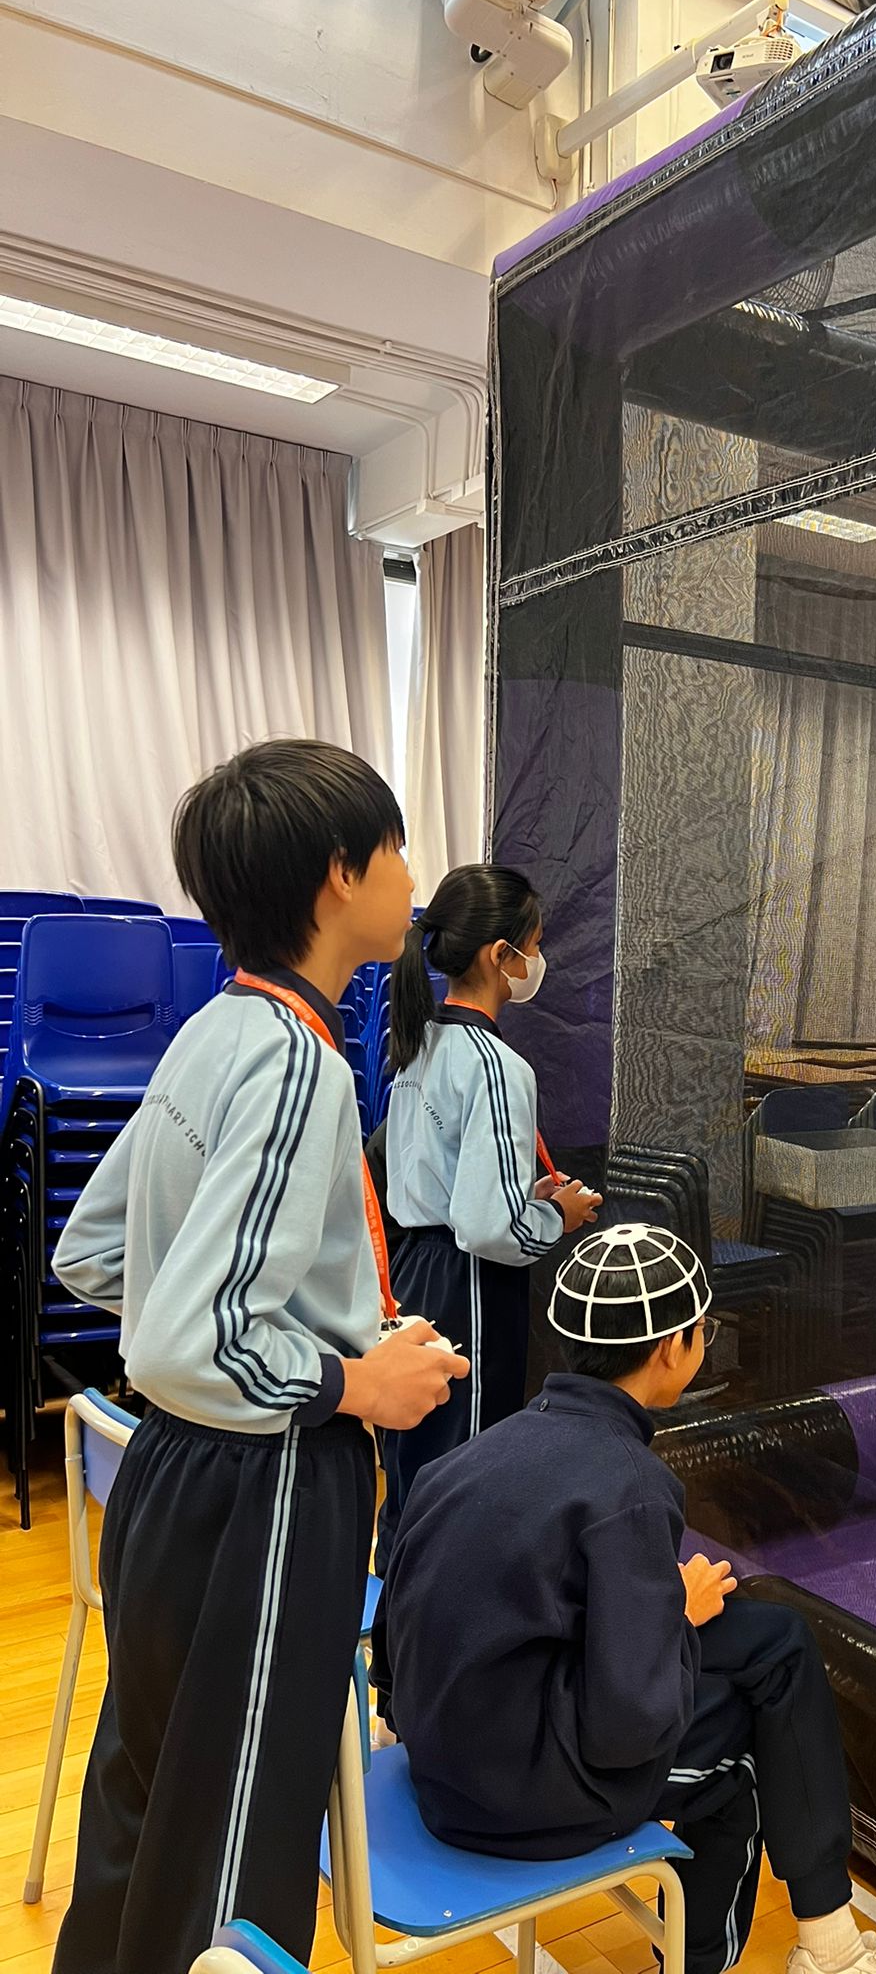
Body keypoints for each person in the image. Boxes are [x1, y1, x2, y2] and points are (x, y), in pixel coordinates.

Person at [50, 740, 471, 1974]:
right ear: (339, 875)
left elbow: (94, 1252)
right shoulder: (301, 1064)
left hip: (173, 1476)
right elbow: (198, 1334)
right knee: (236, 1866)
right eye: (396, 849)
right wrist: (353, 1378)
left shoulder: (211, 1032)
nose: (412, 877)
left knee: (148, 1806)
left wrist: (314, 1332)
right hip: (268, 1485)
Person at [372, 1225, 876, 1974]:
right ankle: (801, 1949)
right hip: (516, 1803)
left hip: (443, 1761)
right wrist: (673, 1616)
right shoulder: (629, 1484)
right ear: (674, 1347)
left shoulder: (467, 1459)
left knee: (775, 1639)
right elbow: (628, 1725)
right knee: (751, 1751)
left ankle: (823, 1937)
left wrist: (666, 1616)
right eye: (703, 1330)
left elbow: (395, 1646)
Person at [372, 864, 602, 1576]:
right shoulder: (498, 1066)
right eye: (533, 945)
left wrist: (520, 1195)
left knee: (414, 1456)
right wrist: (557, 1214)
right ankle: (451, 1613)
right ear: (500, 956)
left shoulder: (417, 1042)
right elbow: (489, 1229)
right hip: (468, 1285)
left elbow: (438, 1179)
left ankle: (399, 1615)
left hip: (411, 1274)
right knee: (464, 1465)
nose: (539, 960)